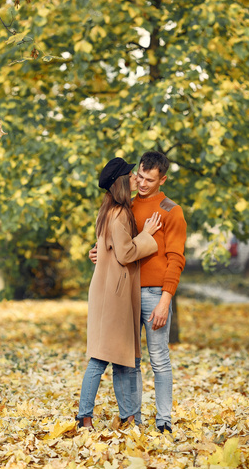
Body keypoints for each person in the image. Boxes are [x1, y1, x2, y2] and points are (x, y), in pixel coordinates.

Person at [90, 151, 187, 434]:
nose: (143, 183)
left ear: (162, 179)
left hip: (156, 294)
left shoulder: (171, 210)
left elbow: (176, 258)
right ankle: (133, 419)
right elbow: (115, 244)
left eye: (149, 180)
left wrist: (165, 300)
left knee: (159, 359)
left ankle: (164, 420)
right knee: (128, 360)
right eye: (140, 177)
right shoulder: (125, 206)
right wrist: (97, 253)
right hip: (126, 294)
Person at [76, 157, 162, 429]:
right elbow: (125, 253)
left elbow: (108, 249)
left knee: (122, 358)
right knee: (102, 357)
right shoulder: (121, 214)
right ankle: (84, 416)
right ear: (123, 182)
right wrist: (147, 234)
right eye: (133, 175)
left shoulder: (107, 210)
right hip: (114, 297)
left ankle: (129, 417)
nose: (138, 178)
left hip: (108, 293)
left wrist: (98, 253)